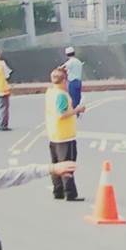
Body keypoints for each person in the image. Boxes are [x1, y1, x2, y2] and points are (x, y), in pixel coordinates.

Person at [45, 68, 87, 201]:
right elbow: (61, 114)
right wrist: (77, 110)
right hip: (65, 134)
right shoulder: (61, 95)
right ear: (64, 80)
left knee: (56, 164)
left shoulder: (50, 92)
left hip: (53, 133)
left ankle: (58, 191)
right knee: (67, 164)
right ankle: (70, 192)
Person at [61, 47, 83, 111]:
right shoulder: (78, 61)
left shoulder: (70, 62)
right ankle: (78, 111)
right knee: (78, 97)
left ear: (66, 54)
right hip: (79, 82)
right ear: (74, 53)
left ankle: (74, 112)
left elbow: (62, 68)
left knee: (73, 98)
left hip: (72, 82)